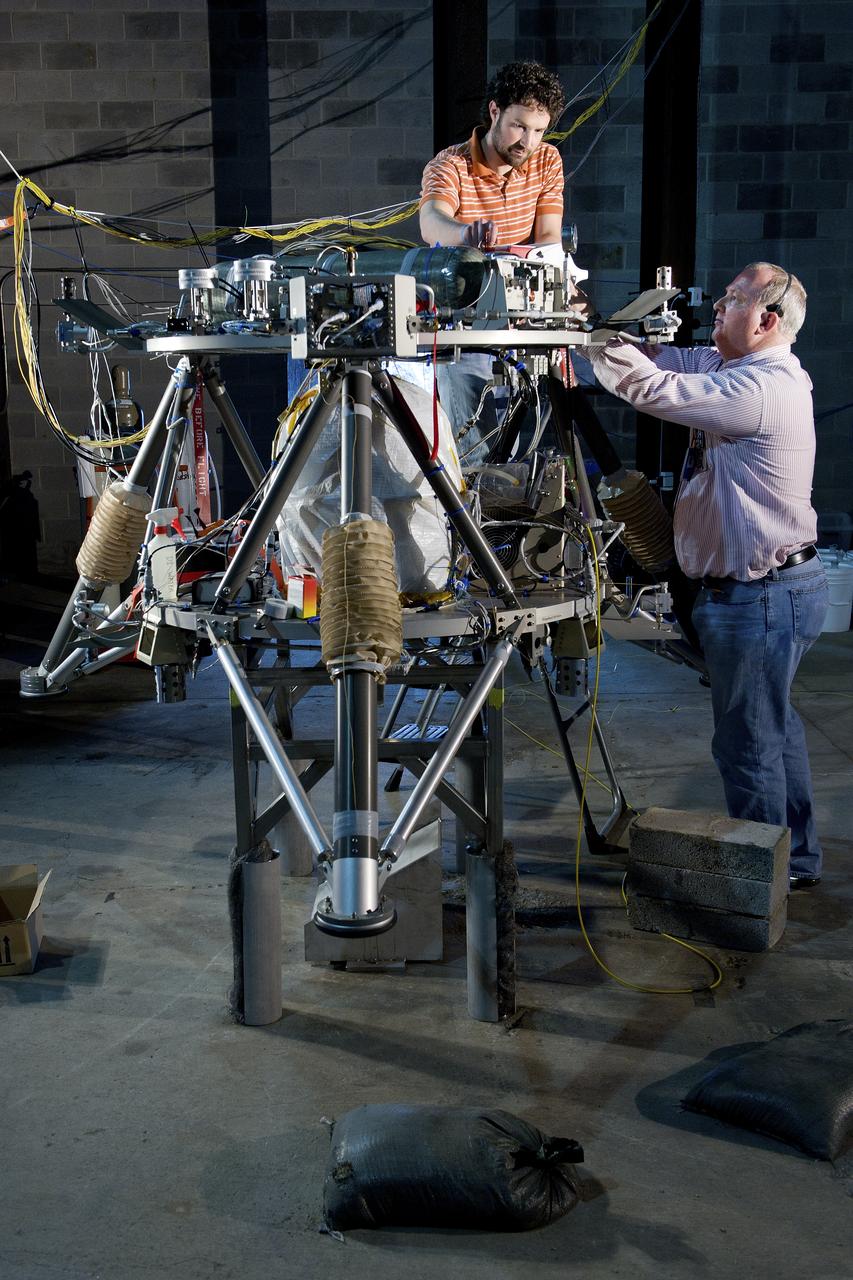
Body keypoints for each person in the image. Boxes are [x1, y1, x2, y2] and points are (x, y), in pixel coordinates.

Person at [581, 262, 828, 890]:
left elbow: (654, 390)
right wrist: (609, 337)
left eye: (734, 299)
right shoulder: (733, 366)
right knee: (772, 729)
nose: (718, 305)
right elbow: (667, 361)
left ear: (767, 320)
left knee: (748, 745)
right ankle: (794, 860)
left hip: (761, 597)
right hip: (768, 590)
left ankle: (760, 880)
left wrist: (586, 337)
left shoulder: (762, 388)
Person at [419, 61, 566, 464]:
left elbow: (549, 237)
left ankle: (511, 521)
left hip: (521, 324)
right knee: (473, 453)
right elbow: (431, 222)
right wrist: (466, 235)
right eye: (519, 126)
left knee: (528, 449)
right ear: (495, 111)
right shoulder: (449, 166)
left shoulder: (546, 161)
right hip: (464, 328)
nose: (528, 142)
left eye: (539, 130)